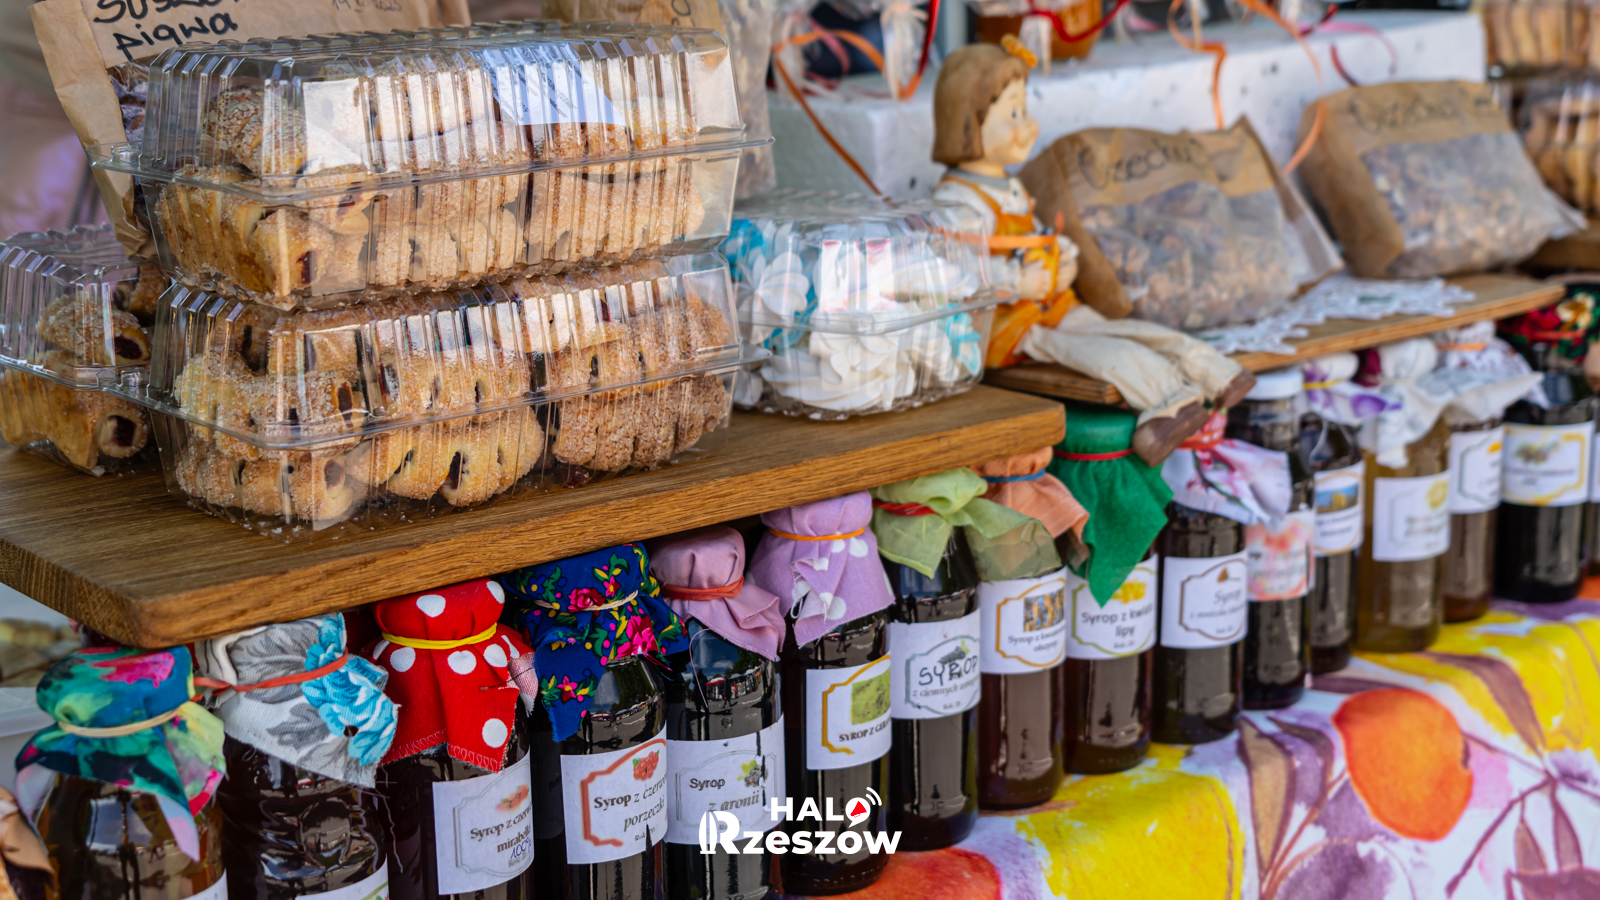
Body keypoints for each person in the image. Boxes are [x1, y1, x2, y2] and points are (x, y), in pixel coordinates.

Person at [930, 39, 1079, 369]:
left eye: (1024, 111)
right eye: (1014, 113)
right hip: (998, 329)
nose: (1027, 124)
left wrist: (1061, 257)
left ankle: (1183, 372)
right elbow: (954, 272)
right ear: (968, 121)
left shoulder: (1011, 187)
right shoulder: (956, 201)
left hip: (1039, 310)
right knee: (1102, 351)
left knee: (1113, 333)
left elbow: (1033, 236)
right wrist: (1015, 281)